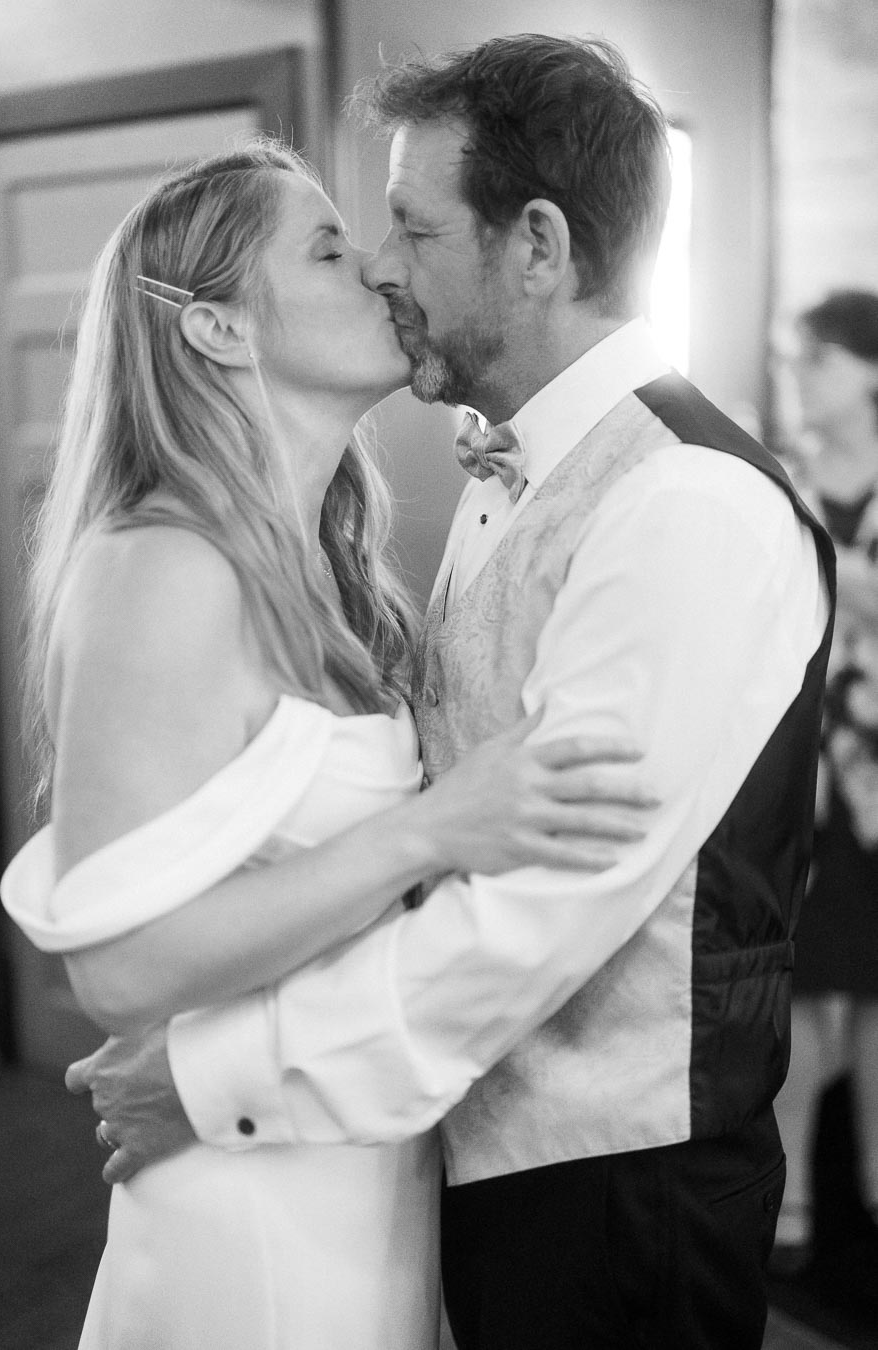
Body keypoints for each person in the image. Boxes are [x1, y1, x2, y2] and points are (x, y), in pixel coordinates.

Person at [56, 34, 835, 1350]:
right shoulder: (499, 470)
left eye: (413, 229)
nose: (381, 264)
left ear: (535, 246)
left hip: (614, 1189)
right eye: (350, 242)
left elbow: (539, 909)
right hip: (426, 1145)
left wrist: (214, 1075)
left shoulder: (687, 502)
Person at [0, 138, 654, 1350]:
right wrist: (435, 826)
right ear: (219, 332)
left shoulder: (338, 568)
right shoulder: (162, 567)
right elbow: (120, 974)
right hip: (250, 1212)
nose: (381, 271)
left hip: (355, 1154)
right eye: (329, 249)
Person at [772, 290, 878, 1305]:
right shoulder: (784, 481)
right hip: (806, 795)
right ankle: (795, 1226)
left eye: (818, 359)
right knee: (803, 1012)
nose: (800, 373)